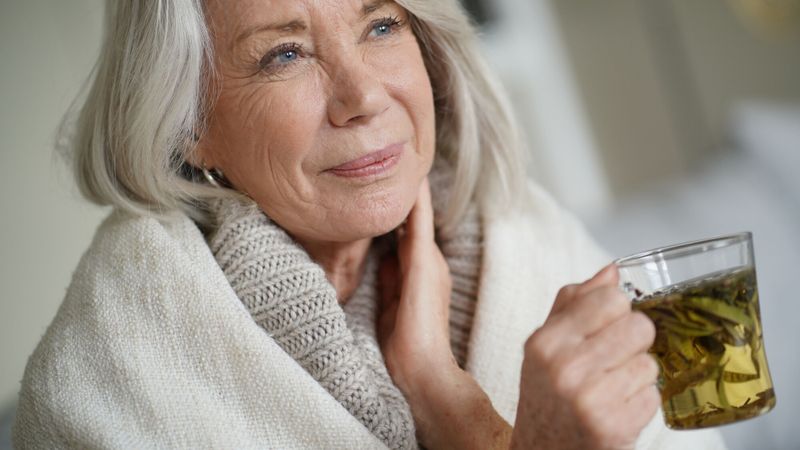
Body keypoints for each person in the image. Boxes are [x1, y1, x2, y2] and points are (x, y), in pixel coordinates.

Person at [14, 1, 726, 449]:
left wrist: (445, 398)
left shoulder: (523, 229)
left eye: (381, 25)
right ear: (190, 126)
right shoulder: (110, 376)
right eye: (284, 54)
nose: (361, 95)